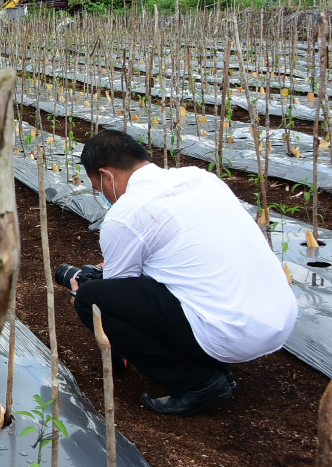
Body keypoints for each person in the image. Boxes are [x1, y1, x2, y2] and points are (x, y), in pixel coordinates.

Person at [72, 130, 297, 415]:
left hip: (230, 333)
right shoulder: (201, 178)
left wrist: (85, 290)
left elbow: (118, 287)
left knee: (91, 299)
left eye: (98, 187)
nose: (103, 195)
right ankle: (215, 365)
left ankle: (197, 382)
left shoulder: (126, 214)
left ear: (107, 175)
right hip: (280, 318)